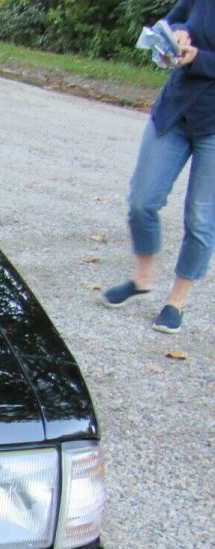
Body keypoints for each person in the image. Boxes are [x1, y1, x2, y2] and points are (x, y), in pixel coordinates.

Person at [104, 1, 215, 334]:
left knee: (200, 218)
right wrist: (175, 33)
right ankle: (143, 279)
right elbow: (171, 20)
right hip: (174, 111)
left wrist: (200, 59)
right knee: (142, 201)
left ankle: (176, 301)